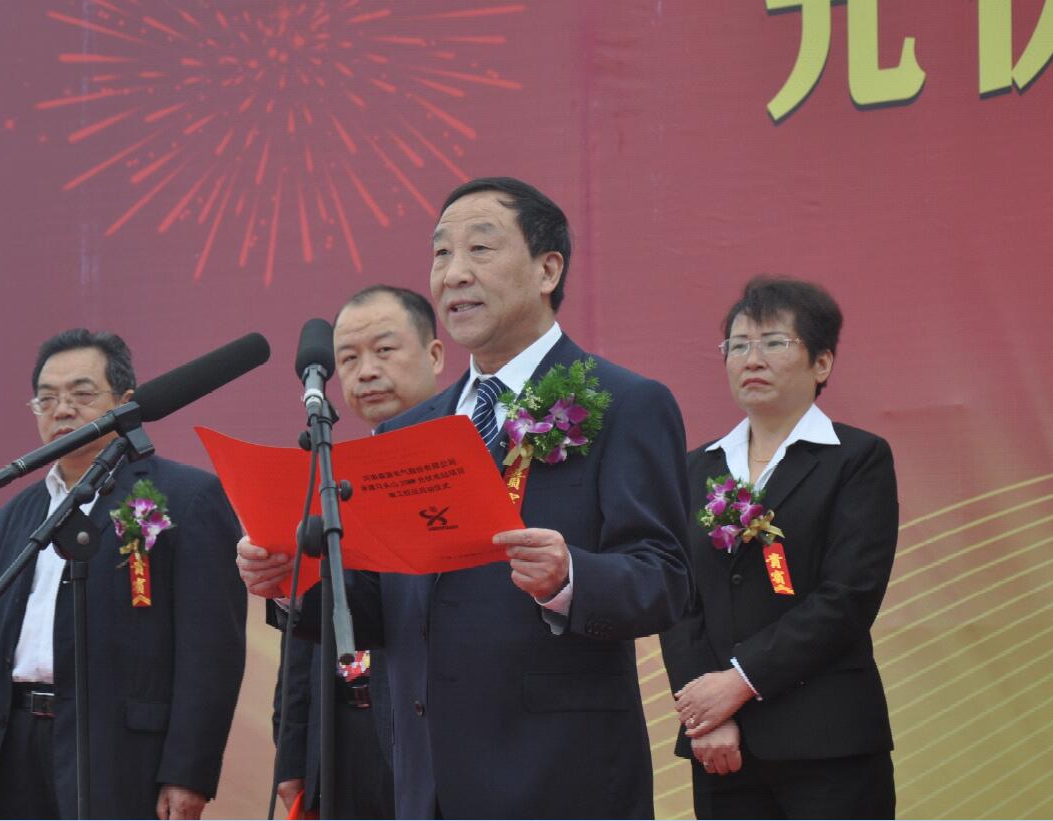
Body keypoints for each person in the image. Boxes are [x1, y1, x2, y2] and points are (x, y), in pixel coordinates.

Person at [238, 176, 691, 819]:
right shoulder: (407, 431)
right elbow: (380, 606)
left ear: (547, 269)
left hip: (560, 779)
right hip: (427, 781)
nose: (453, 274)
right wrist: (295, 581)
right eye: (441, 254)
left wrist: (570, 577)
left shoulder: (625, 403)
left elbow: (665, 579)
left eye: (480, 248)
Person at [0, 329, 247, 820]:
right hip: (14, 744)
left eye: (81, 394)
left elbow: (211, 650)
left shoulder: (186, 497)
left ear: (125, 402)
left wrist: (188, 770)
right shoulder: (12, 515)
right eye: (47, 399)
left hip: (120, 751)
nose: (62, 410)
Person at [658, 277, 899, 819]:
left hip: (828, 738)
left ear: (822, 363)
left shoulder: (856, 459)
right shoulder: (695, 469)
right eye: (738, 345)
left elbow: (848, 597)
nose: (752, 359)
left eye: (773, 342)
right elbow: (679, 598)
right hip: (722, 745)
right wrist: (706, 712)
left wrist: (739, 683)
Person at [267, 285, 444, 818]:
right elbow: (302, 651)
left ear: (435, 355)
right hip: (340, 738)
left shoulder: (460, 460)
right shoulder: (331, 471)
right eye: (348, 359)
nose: (366, 372)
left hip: (430, 735)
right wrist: (291, 756)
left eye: (384, 351)